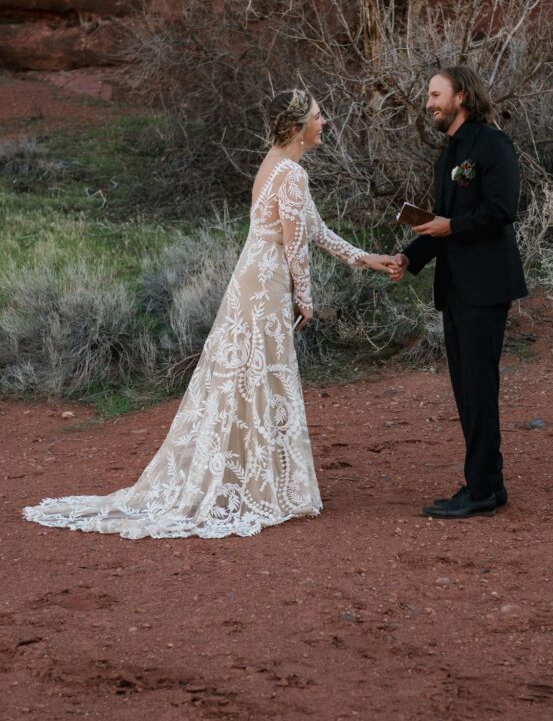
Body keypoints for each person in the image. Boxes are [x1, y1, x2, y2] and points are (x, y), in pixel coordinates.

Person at [24, 90, 397, 539]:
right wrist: (307, 298)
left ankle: (256, 478)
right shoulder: (292, 174)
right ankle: (263, 484)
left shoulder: (273, 165)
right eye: (319, 116)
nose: (326, 122)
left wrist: (370, 258)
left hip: (253, 280)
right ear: (298, 126)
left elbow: (315, 232)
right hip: (267, 284)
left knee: (246, 376)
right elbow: (297, 245)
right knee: (258, 374)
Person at [390, 66, 527, 519]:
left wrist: (453, 226)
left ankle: (482, 491)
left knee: (479, 388)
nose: (428, 102)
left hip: (485, 287)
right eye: (428, 94)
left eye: (434, 93)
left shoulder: (491, 144)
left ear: (462, 96)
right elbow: (441, 224)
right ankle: (489, 482)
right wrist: (409, 257)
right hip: (456, 288)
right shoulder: (449, 153)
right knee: (467, 390)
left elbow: (504, 209)